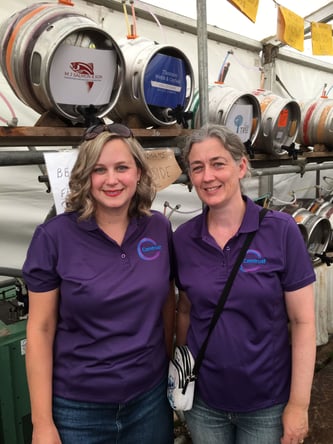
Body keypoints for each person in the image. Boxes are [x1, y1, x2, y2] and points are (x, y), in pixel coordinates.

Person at [22, 123, 175, 444]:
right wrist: (42, 423)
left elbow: (168, 305)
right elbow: (40, 329)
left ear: (138, 173)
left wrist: (165, 375)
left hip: (149, 400)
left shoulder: (158, 229)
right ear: (84, 176)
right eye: (99, 169)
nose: (112, 180)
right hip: (78, 409)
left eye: (122, 168)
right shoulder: (54, 237)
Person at [173, 123, 316, 444]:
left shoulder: (281, 231)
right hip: (204, 402)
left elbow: (303, 321)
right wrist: (182, 373)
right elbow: (185, 311)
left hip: (267, 403)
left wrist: (299, 404)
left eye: (218, 163)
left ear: (241, 167)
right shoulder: (184, 239)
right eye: (197, 168)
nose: (208, 176)